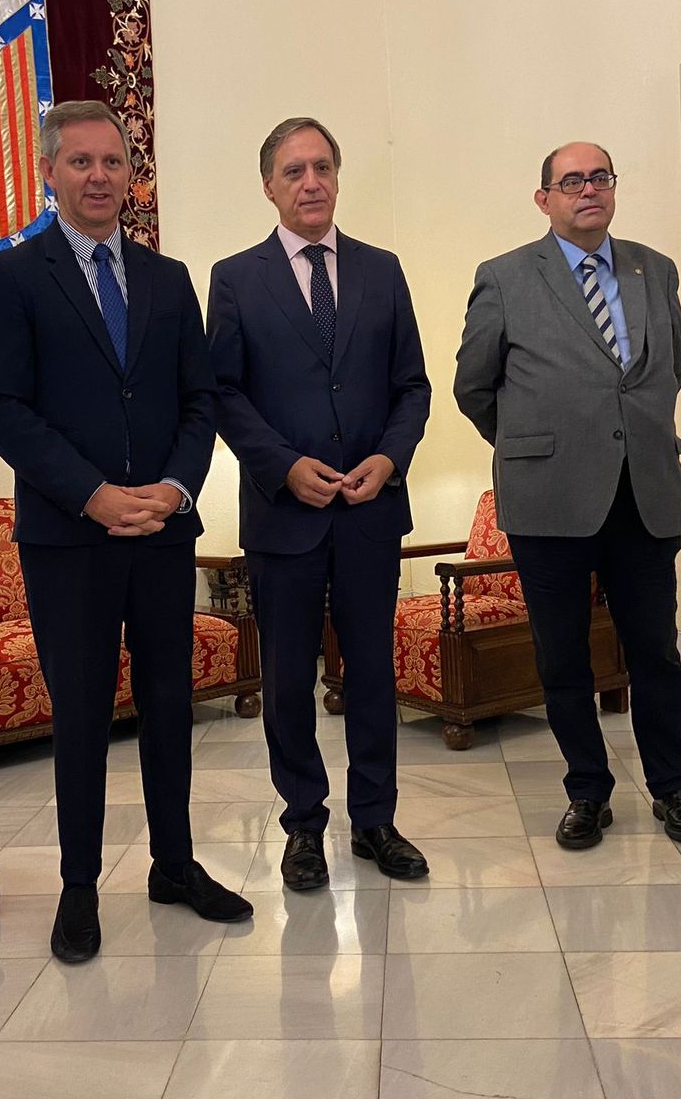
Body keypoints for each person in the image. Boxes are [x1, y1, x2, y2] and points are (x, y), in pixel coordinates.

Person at [0, 99, 252, 963]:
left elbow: (198, 400)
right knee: (85, 715)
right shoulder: (17, 276)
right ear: (50, 173)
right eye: (81, 163)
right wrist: (93, 495)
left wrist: (173, 486)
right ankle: (80, 887)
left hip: (164, 532)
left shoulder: (168, 280)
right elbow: (5, 411)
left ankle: (174, 866)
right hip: (69, 540)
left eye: (113, 163)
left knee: (171, 706)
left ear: (132, 175)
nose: (100, 177)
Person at [453, 141, 681, 850]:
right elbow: (473, 386)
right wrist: (534, 443)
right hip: (549, 498)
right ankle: (587, 791)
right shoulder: (505, 277)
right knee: (563, 656)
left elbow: (669, 372)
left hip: (643, 493)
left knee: (655, 653)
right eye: (571, 181)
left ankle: (673, 788)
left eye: (599, 177)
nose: (587, 190)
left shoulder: (653, 271)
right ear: (545, 199)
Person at [208, 117, 433, 889]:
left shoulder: (383, 270)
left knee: (373, 673)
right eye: (295, 170)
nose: (312, 182)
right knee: (287, 683)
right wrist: (281, 466)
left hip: (371, 510)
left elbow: (413, 387)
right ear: (269, 185)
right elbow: (223, 393)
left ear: (338, 177)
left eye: (324, 167)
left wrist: (389, 458)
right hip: (284, 515)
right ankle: (303, 825)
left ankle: (376, 821)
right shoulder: (235, 278)